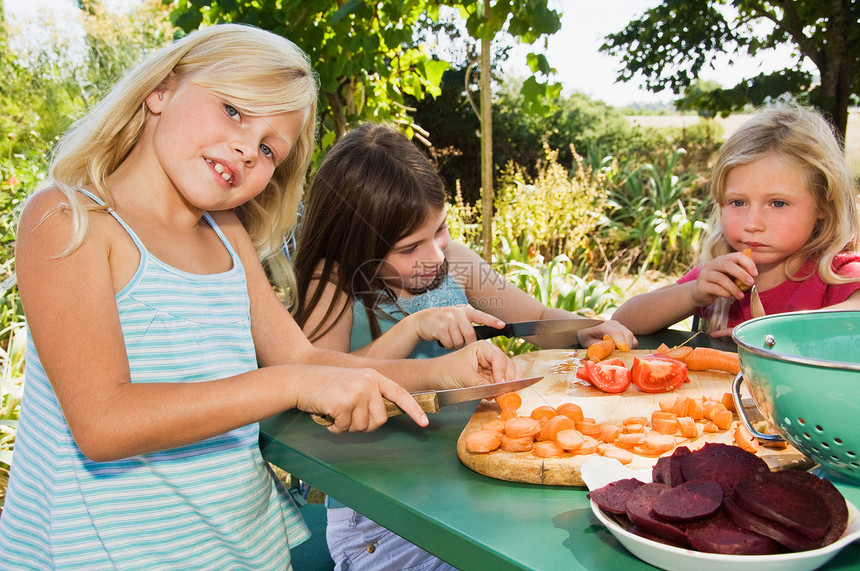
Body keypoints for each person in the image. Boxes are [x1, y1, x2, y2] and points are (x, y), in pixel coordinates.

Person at [0, 24, 521, 570]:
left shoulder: (226, 235)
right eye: (234, 110)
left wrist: (441, 374)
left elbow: (304, 359)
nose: (249, 148)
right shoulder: (69, 220)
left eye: (272, 147)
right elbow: (103, 422)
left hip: (242, 549)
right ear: (161, 89)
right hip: (104, 555)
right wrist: (291, 384)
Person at [292, 122, 636, 570]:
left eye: (441, 229)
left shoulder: (455, 264)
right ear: (357, 244)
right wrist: (411, 327)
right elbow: (319, 377)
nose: (434, 255)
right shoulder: (333, 282)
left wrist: (582, 329)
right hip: (380, 515)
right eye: (410, 246)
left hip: (466, 481)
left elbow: (535, 321)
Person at [612, 104, 860, 337]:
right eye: (738, 203)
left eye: (778, 203)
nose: (752, 223)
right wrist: (693, 293)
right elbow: (623, 321)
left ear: (823, 205)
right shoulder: (726, 272)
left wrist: (768, 336)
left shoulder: (837, 273)